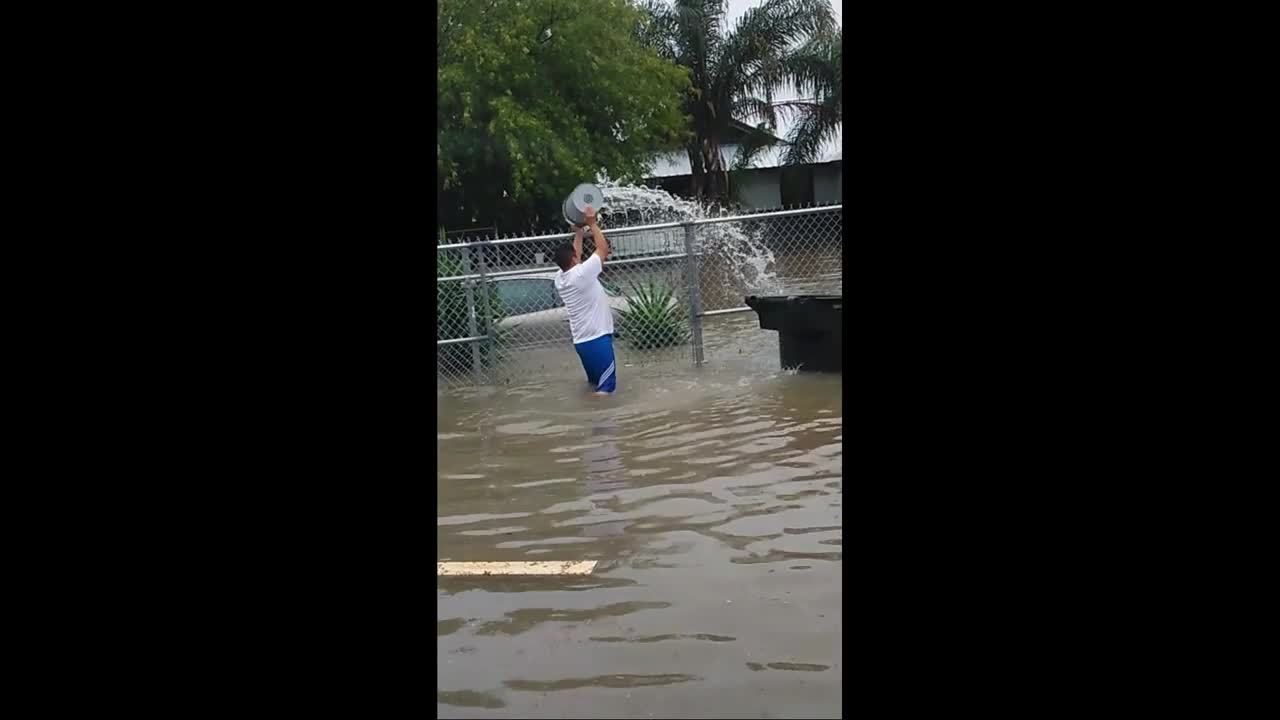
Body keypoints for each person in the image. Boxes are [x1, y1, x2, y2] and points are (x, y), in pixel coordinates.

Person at [553, 204, 616, 395]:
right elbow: (603, 249)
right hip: (597, 339)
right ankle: (599, 422)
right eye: (575, 256)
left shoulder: (561, 278)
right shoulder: (581, 274)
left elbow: (576, 255)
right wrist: (592, 224)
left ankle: (593, 421)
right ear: (573, 260)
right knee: (607, 389)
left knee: (594, 386)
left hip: (582, 341)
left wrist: (579, 234)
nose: (578, 256)